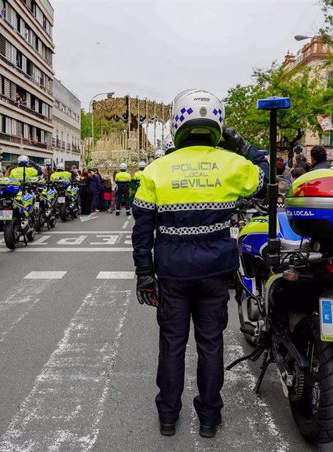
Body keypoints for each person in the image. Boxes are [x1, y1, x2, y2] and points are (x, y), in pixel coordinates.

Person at [132, 89, 268, 439]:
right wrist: (244, 146)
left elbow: (142, 229)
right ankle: (209, 418)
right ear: (218, 125)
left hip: (172, 272)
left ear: (178, 123)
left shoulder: (156, 169)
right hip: (214, 273)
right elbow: (266, 177)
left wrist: (144, 274)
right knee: (211, 343)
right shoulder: (232, 164)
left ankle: (168, 417)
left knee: (172, 344)